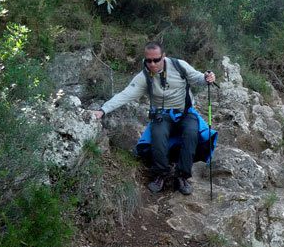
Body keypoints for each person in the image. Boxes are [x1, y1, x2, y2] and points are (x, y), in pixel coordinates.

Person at [92, 41, 216, 194]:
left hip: (185, 112)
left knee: (191, 133)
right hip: (161, 115)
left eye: (156, 60)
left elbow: (198, 78)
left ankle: (182, 176)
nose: (152, 64)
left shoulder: (179, 65)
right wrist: (103, 110)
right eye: (148, 60)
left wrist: (207, 78)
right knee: (157, 134)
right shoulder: (144, 76)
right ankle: (160, 174)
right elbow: (125, 95)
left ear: (163, 57)